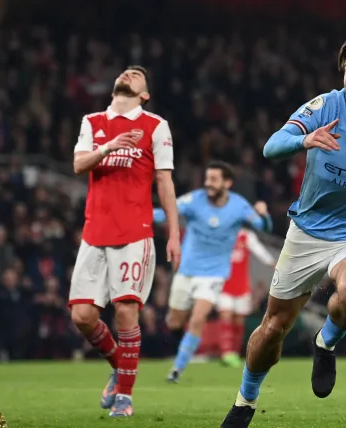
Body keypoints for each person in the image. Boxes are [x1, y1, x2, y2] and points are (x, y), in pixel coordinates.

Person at [221, 28, 346, 427]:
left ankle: (326, 341)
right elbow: (271, 147)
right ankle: (245, 402)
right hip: (307, 232)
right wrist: (305, 140)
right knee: (273, 328)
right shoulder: (324, 107)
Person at [69, 65, 182, 417]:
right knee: (83, 316)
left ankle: (125, 397)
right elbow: (78, 165)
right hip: (94, 232)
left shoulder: (155, 126)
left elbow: (164, 182)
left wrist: (174, 233)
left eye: (137, 75)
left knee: (125, 310)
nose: (129, 75)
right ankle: (121, 366)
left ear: (144, 94)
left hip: (134, 231)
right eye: (126, 72)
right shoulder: (92, 122)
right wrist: (109, 148)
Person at [153, 161, 273, 383]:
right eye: (207, 179)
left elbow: (264, 228)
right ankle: (186, 347)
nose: (208, 184)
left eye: (214, 180)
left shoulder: (239, 206)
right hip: (187, 270)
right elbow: (165, 214)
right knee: (174, 322)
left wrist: (264, 216)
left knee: (198, 318)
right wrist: (139, 214)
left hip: (215, 274)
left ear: (227, 183)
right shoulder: (194, 200)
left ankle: (177, 370)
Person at [218, 228, 276, 367]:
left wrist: (272, 263)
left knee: (238, 320)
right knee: (225, 316)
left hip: (242, 286)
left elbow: (259, 250)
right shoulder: (220, 233)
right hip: (223, 285)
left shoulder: (246, 236)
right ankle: (226, 353)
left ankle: (234, 354)